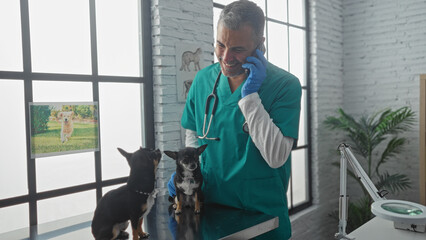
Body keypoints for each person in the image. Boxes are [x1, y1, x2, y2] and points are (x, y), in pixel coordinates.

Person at [168, 0, 301, 239]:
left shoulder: (285, 85)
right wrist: (189, 167)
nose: (226, 57)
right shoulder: (202, 80)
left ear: (260, 45)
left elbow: (277, 156)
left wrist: (249, 96)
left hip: (261, 218)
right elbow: (193, 130)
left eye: (238, 49)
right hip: (212, 212)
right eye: (220, 44)